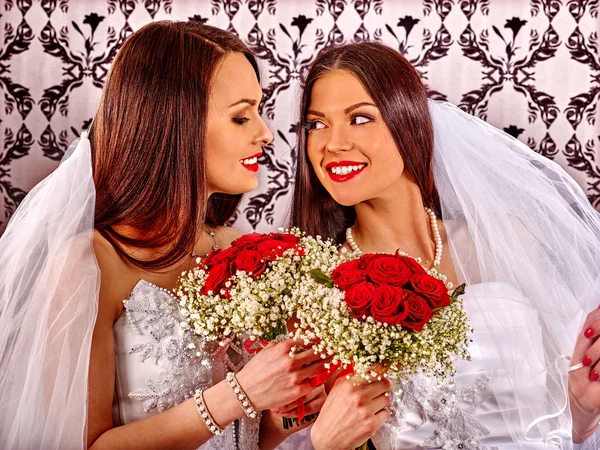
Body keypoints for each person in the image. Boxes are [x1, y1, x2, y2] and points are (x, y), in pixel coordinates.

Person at [0, 21, 331, 449]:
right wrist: (241, 394)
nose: (265, 133)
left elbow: (249, 438)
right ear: (177, 121)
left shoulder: (235, 247)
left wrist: (296, 406)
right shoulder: (90, 263)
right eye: (241, 116)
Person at [290, 41, 600, 449]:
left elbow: (557, 427)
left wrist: (582, 403)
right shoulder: (312, 285)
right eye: (317, 124)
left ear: (409, 120)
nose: (332, 144)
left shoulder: (505, 239)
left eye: (359, 118)